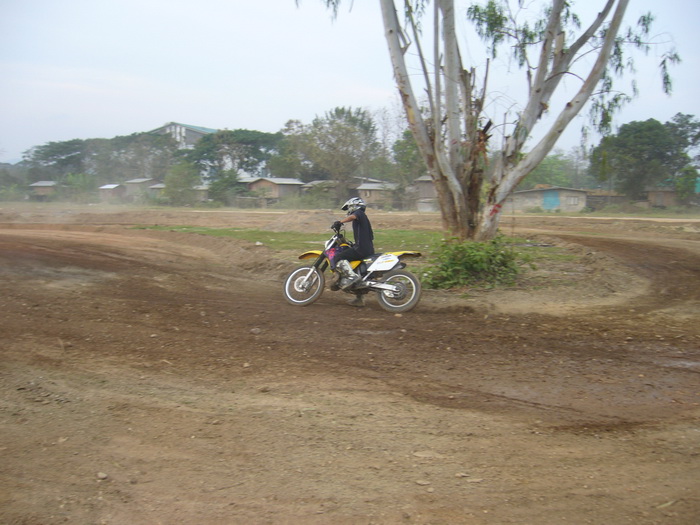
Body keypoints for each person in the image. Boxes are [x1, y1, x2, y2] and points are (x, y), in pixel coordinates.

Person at [331, 197, 374, 300]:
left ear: (354, 206)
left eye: (349, 207)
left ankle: (352, 277)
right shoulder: (363, 219)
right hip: (367, 249)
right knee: (357, 269)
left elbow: (353, 216)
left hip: (361, 249)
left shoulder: (359, 213)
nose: (349, 210)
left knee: (338, 257)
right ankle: (359, 299)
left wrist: (340, 222)